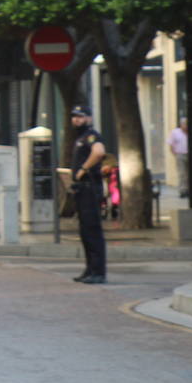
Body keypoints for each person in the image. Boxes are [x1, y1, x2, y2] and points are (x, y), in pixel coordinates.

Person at [69, 105, 107, 284]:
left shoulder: (92, 135)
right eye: (74, 117)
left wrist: (83, 169)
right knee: (85, 231)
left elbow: (99, 152)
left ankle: (98, 271)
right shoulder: (80, 138)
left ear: (89, 118)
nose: (76, 120)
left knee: (92, 230)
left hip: (89, 187)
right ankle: (90, 269)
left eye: (80, 117)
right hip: (81, 189)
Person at [168, 117, 189, 194]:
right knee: (182, 173)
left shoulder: (191, 133)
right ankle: (182, 190)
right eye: (185, 124)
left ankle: (188, 189)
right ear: (181, 124)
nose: (186, 126)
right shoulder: (175, 132)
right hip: (180, 155)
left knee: (189, 173)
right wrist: (175, 154)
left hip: (190, 155)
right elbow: (171, 144)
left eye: (187, 124)